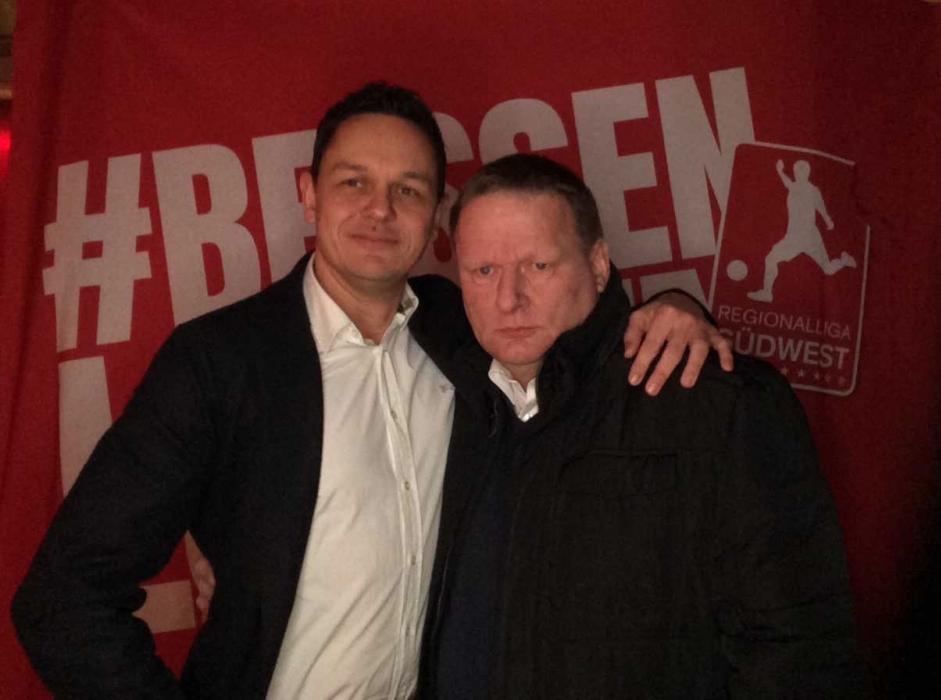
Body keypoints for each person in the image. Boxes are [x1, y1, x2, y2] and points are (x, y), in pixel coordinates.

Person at [11, 83, 729, 699]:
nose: (380, 210)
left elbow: (569, 318)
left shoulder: (466, 330)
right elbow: (63, 598)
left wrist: (674, 308)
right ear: (308, 193)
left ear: (438, 212)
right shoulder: (218, 363)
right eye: (353, 182)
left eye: (407, 190)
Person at [419, 153, 860, 699]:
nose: (508, 299)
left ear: (599, 265)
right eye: (483, 271)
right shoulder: (445, 389)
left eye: (539, 266)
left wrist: (681, 307)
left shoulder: (720, 403)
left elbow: (799, 652)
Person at [747, 158, 857, 303]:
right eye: (796, 172)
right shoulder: (795, 187)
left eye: (801, 172)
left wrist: (828, 220)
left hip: (808, 236)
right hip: (796, 236)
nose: (798, 174)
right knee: (771, 259)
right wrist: (779, 171)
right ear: (795, 173)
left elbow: (821, 208)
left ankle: (844, 260)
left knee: (828, 269)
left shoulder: (812, 190)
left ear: (807, 173)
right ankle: (767, 293)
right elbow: (788, 183)